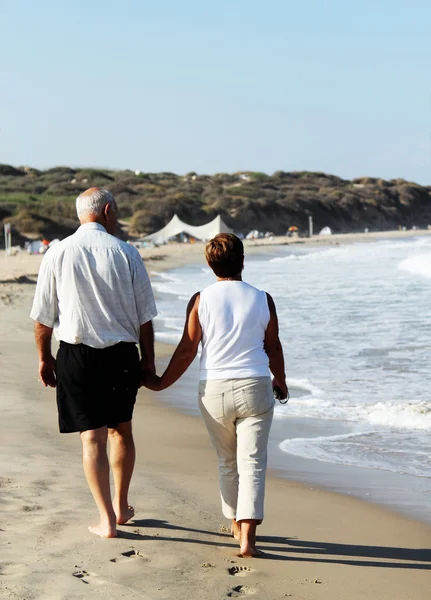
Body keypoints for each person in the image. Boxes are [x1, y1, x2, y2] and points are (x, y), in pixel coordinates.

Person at [143, 233, 287, 557]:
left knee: (227, 461)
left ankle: (235, 522)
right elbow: (273, 346)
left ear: (210, 264)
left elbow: (187, 350)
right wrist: (281, 380)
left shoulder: (200, 299)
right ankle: (248, 540)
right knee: (252, 462)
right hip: (255, 387)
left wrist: (160, 383)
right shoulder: (263, 298)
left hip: (213, 391)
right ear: (243, 260)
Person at [30, 187, 157, 538]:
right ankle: (121, 506)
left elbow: (43, 317)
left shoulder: (57, 253)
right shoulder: (126, 252)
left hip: (76, 354)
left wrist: (45, 358)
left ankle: (106, 520)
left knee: (92, 439)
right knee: (122, 431)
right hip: (120, 356)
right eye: (115, 211)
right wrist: (148, 362)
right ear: (106, 211)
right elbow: (145, 317)